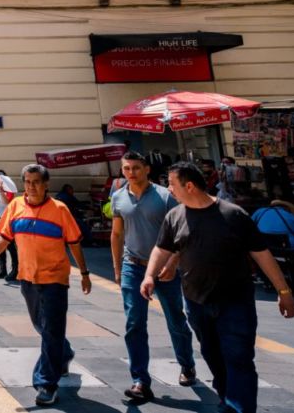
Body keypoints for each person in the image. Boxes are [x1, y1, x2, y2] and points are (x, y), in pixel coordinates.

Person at [142, 161, 294, 413]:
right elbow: (162, 249)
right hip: (196, 302)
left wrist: (284, 292)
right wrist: (149, 276)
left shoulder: (233, 214)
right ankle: (228, 400)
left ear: (189, 186)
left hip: (235, 302)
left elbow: (262, 255)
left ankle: (238, 408)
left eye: (171, 184)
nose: (168, 189)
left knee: (239, 358)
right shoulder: (175, 216)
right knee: (214, 357)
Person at [0, 164, 91, 407]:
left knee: (51, 330)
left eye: (36, 182)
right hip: (27, 278)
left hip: (54, 279)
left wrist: (84, 272)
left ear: (46, 184)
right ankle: (64, 352)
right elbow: (4, 237)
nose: (31, 186)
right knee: (41, 326)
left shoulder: (59, 209)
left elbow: (74, 243)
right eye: (27, 182)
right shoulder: (15, 206)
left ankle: (46, 384)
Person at [108, 151, 196, 402]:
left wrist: (173, 262)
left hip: (164, 268)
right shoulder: (118, 197)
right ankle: (140, 381)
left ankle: (187, 364)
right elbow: (116, 234)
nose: (131, 173)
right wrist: (117, 268)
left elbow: (182, 231)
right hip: (133, 266)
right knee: (134, 323)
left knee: (175, 319)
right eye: (126, 168)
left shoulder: (165, 195)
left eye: (136, 168)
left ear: (146, 169)